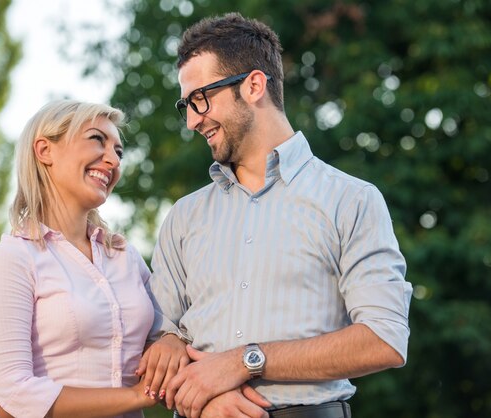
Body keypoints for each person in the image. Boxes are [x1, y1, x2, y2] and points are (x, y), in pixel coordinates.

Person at [141, 12, 413, 418]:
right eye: (186, 105)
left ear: (253, 85)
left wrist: (244, 360)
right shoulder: (183, 217)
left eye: (201, 99)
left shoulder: (352, 200)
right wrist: (192, 377)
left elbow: (384, 339)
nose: (193, 120)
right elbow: (159, 340)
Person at [0, 99, 183, 418]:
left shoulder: (124, 256)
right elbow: (10, 395)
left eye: (119, 151)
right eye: (97, 140)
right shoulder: (12, 258)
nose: (112, 159)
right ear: (45, 150)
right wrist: (134, 397)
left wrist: (172, 338)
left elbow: (169, 324)